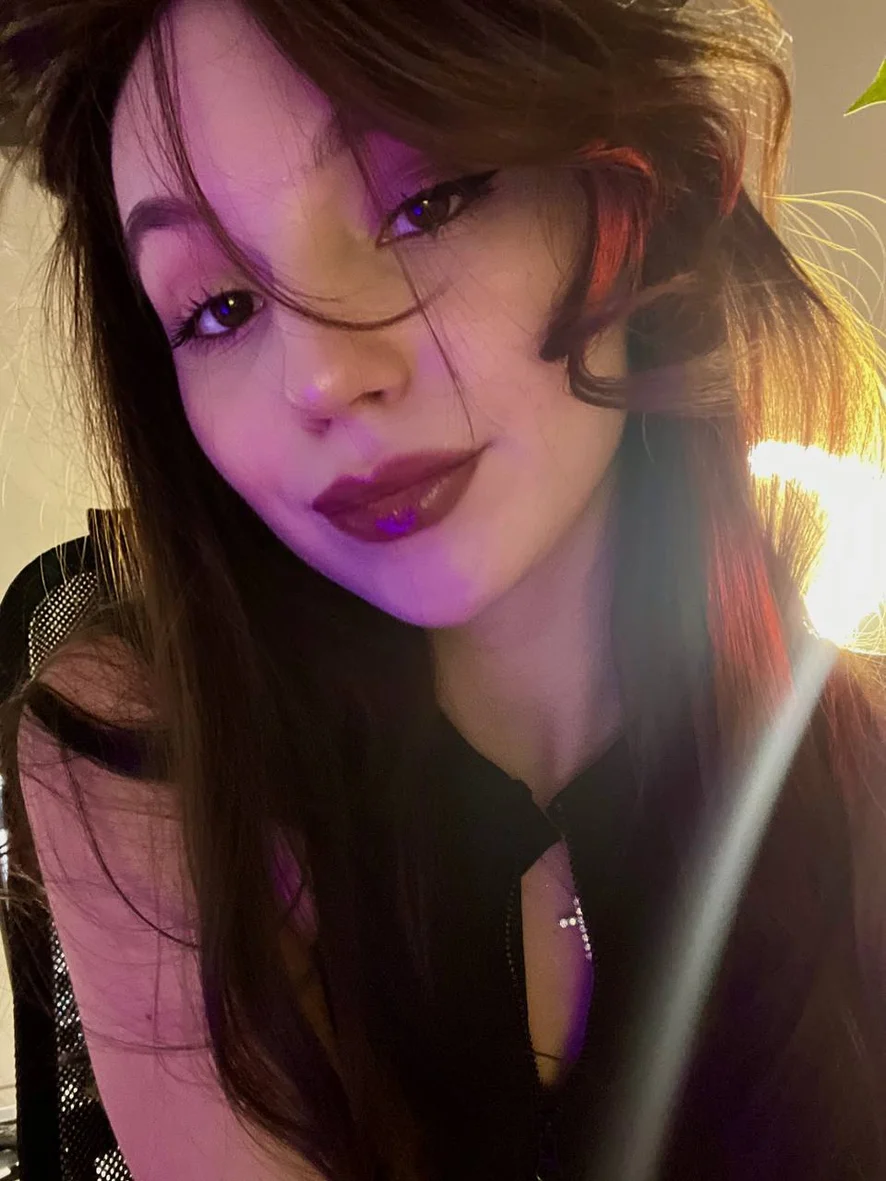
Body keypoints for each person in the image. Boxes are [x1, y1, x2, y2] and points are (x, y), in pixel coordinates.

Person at [1, 0, 884, 1177]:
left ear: (638, 198)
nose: (323, 374)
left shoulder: (857, 757)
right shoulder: (142, 747)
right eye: (219, 307)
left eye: (427, 203)